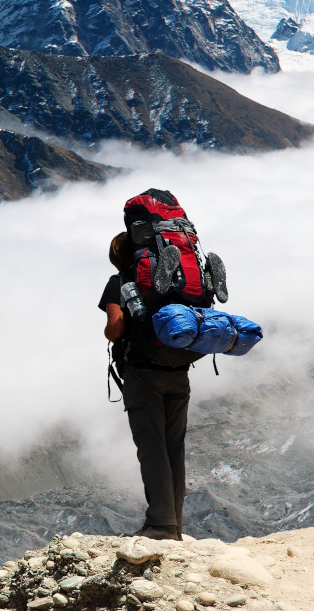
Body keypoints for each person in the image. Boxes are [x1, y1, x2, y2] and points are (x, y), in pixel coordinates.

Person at [100, 231, 195, 541]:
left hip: (143, 375)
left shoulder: (120, 282)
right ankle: (174, 525)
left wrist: (110, 328)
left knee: (151, 447)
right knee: (173, 448)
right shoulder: (169, 280)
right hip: (179, 369)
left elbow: (116, 329)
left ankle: (161, 525)